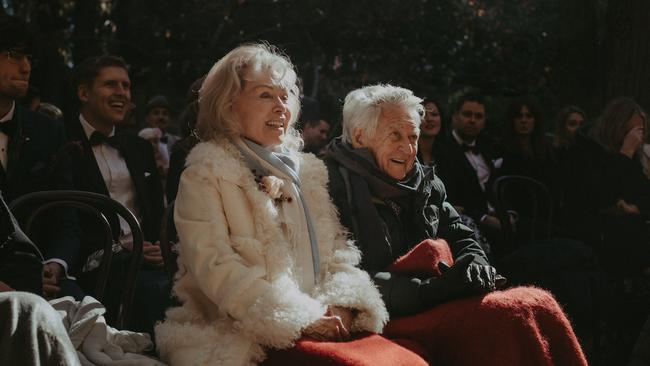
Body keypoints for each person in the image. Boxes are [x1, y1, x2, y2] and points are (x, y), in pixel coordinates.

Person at [155, 43, 389, 365]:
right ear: (229, 105)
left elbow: (337, 252)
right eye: (265, 95)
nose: (282, 107)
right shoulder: (205, 171)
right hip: (239, 335)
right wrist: (300, 319)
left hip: (320, 319)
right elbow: (216, 268)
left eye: (285, 95)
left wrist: (341, 305)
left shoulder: (307, 171)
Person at [324, 84, 588, 365]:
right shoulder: (327, 186)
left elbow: (460, 234)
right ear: (359, 136)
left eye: (413, 136)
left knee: (536, 304)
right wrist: (430, 290)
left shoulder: (425, 182)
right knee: (508, 315)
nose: (408, 148)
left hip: (435, 298)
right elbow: (342, 274)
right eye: (395, 136)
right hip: (384, 313)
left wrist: (475, 265)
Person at [63, 55, 167, 334]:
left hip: (146, 260)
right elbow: (64, 221)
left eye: (126, 85)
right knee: (155, 292)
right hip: (93, 265)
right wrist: (122, 250)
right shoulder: (61, 143)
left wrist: (158, 248)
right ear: (84, 93)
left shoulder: (140, 148)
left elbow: (156, 213)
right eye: (111, 85)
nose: (121, 92)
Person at [0, 14, 79, 301]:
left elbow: (65, 212)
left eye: (29, 58)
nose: (25, 67)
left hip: (44, 280)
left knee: (91, 320)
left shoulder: (49, 131)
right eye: (14, 55)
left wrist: (55, 263)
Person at [416, 98, 443, 166]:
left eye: (434, 114)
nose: (429, 119)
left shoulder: (449, 153)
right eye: (422, 115)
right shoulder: (407, 152)